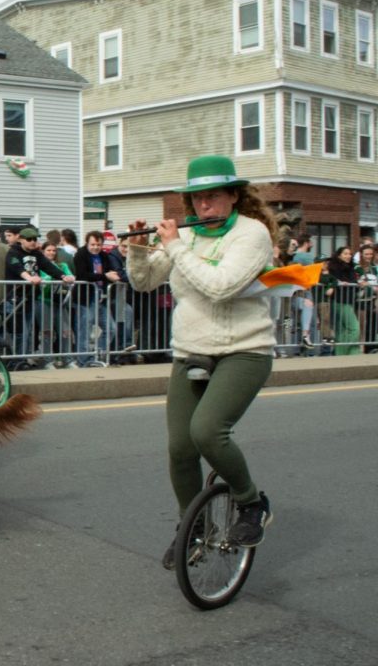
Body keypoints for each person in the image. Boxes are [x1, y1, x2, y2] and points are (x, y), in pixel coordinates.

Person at [124, 154, 277, 569]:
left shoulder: (252, 234)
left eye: (212, 197)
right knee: (179, 448)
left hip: (244, 350)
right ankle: (193, 528)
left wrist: (173, 245)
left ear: (233, 196)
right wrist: (139, 250)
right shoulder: (187, 237)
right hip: (190, 350)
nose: (203, 206)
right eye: (195, 199)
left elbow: (221, 287)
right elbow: (143, 282)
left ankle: (251, 502)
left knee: (208, 432)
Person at [4, 225, 74, 361]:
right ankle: (15, 361)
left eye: (35, 239)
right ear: (21, 240)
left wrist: (62, 276)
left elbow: (48, 267)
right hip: (15, 298)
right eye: (29, 239)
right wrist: (29, 278)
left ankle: (24, 359)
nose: (32, 242)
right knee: (19, 332)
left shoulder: (36, 254)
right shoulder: (13, 252)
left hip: (30, 297)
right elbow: (16, 267)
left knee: (28, 332)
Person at [72, 230, 123, 366]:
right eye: (93, 244)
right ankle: (83, 361)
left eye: (98, 245)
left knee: (110, 328)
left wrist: (114, 276)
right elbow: (82, 275)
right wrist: (105, 276)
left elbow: (112, 271)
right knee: (84, 331)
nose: (95, 247)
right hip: (85, 298)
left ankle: (97, 355)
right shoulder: (81, 254)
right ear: (87, 243)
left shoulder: (104, 256)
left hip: (101, 298)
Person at [38, 240, 77, 368]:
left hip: (61, 301)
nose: (51, 253)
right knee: (47, 332)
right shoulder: (40, 265)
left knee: (65, 331)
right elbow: (43, 279)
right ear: (43, 251)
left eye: (54, 250)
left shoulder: (62, 264)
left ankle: (68, 359)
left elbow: (70, 276)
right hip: (45, 301)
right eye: (48, 250)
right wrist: (56, 278)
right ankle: (47, 360)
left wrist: (69, 278)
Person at [325, 246, 360, 356]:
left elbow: (353, 282)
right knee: (354, 329)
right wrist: (339, 282)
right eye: (345, 253)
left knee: (342, 331)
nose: (348, 256)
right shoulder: (334, 267)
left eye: (350, 254)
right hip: (340, 300)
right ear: (339, 255)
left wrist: (358, 284)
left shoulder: (351, 267)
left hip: (347, 300)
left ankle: (350, 355)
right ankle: (342, 352)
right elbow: (331, 279)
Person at [355, 243, 377, 352]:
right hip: (360, 301)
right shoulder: (357, 267)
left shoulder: (374, 268)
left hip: (372, 300)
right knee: (361, 326)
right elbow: (359, 282)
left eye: (370, 254)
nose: (369, 256)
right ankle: (359, 348)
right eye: (366, 254)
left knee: (372, 325)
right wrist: (371, 287)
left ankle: (370, 348)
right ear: (361, 255)